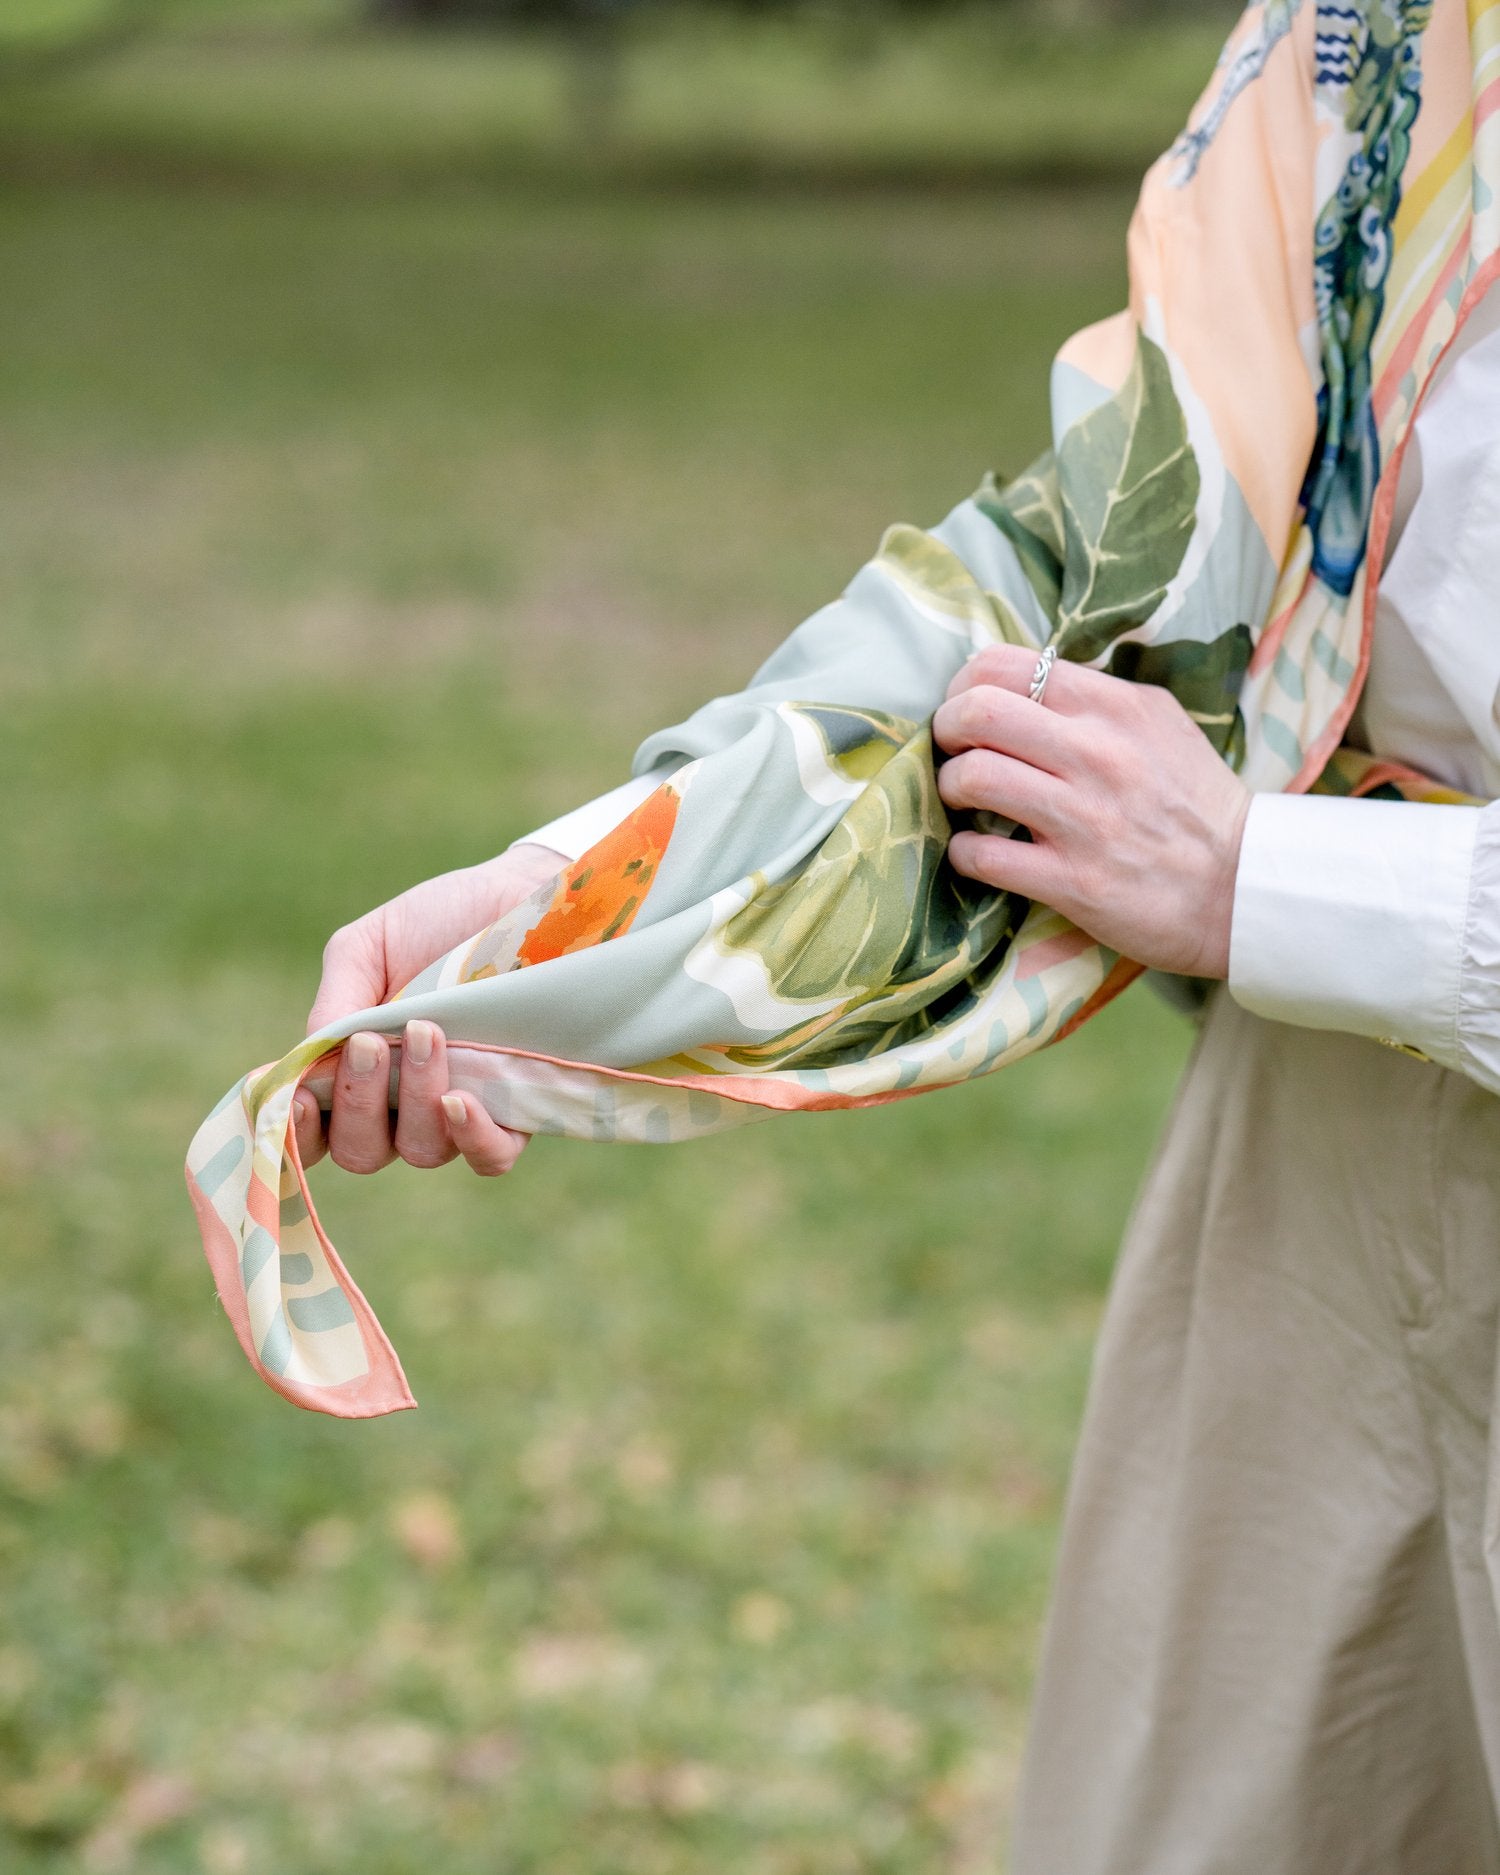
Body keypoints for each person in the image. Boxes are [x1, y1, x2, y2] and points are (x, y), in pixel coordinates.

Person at [284, 48, 1500, 1875]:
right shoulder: (1392, 33)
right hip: (1319, 1139)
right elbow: (1098, 536)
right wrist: (578, 896)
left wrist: (1274, 879)